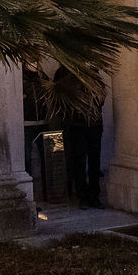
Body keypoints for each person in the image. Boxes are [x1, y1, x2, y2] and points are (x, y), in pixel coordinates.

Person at [53, 65, 106, 208]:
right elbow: (59, 98)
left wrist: (92, 104)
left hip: (94, 124)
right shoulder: (64, 72)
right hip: (76, 125)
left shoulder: (94, 73)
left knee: (95, 161)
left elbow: (102, 96)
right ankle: (82, 195)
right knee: (79, 161)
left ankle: (94, 195)